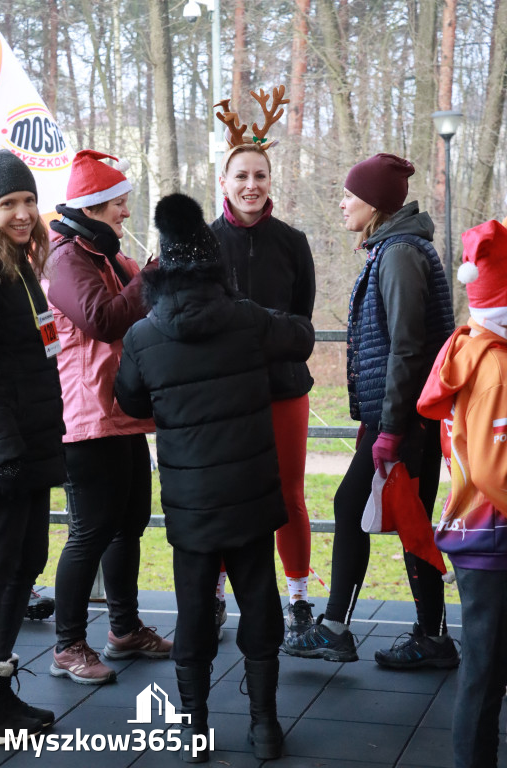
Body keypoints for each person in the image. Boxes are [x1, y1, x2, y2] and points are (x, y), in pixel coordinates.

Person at [115, 193, 315, 762]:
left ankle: (195, 729)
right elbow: (299, 336)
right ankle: (265, 727)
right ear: (213, 263)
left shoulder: (143, 337)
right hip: (252, 497)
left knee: (195, 608)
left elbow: (128, 401)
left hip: (191, 504)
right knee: (260, 602)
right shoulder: (248, 320)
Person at [283, 152, 459, 667]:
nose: (341, 203)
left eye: (350, 195)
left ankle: (337, 629)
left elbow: (407, 347)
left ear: (376, 204)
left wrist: (390, 427)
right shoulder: (393, 249)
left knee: (350, 505)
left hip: (404, 419)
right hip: (403, 416)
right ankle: (432, 637)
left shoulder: (401, 253)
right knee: (410, 519)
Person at [44, 149, 171, 685]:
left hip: (124, 413)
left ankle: (123, 629)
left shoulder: (112, 258)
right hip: (85, 419)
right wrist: (153, 275)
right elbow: (101, 319)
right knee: (90, 532)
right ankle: (68, 644)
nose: (125, 211)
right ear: (93, 207)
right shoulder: (66, 259)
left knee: (129, 528)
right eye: (118, 202)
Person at [211, 87, 316, 639]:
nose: (252, 185)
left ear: (270, 182)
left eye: (261, 176)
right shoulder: (203, 246)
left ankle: (298, 597)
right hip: (226, 396)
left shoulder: (293, 243)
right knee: (231, 494)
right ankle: (218, 594)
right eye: (241, 176)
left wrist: (261, 333)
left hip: (284, 390)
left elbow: (302, 327)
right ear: (224, 184)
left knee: (290, 493)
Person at [418, 218, 507, 768]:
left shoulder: (468, 344)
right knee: (483, 668)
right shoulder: (496, 367)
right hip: (492, 535)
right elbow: (495, 466)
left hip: (481, 532)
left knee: (488, 662)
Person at [0, 150, 66, 742]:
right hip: (8, 456)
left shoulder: (21, 266)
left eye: (26, 200)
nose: (21, 213)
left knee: (26, 563)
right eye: (6, 204)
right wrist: (5, 451)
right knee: (3, 568)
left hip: (36, 446)